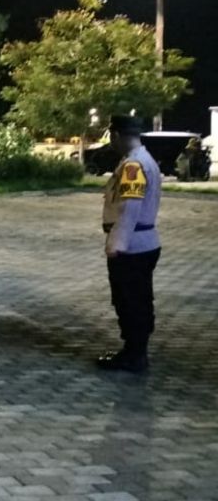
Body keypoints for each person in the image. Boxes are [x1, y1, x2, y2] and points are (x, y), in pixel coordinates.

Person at [98, 115, 162, 373]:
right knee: (138, 298)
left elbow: (129, 208)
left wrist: (116, 242)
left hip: (132, 244)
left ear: (116, 136)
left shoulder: (133, 165)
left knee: (129, 300)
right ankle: (136, 351)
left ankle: (134, 354)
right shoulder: (142, 161)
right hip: (143, 242)